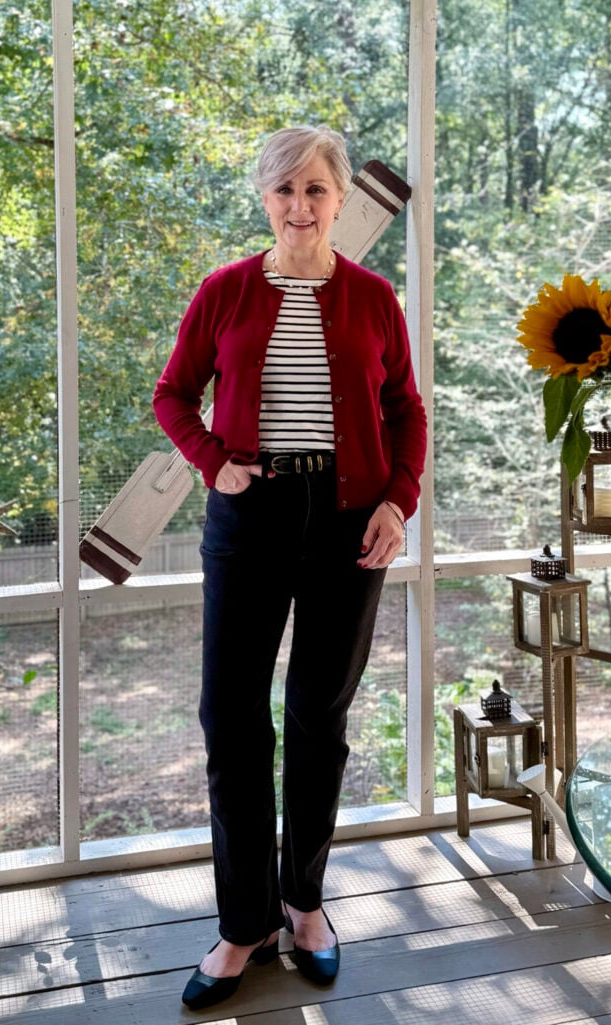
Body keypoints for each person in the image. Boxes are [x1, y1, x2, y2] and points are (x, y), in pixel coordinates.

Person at [153, 125, 427, 1011]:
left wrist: (398, 501)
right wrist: (211, 461)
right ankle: (244, 923)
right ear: (263, 200)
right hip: (249, 516)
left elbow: (404, 408)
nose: (299, 207)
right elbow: (172, 392)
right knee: (231, 716)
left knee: (320, 716)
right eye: (283, 191)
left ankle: (304, 903)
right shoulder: (224, 291)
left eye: (314, 190)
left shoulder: (373, 296)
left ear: (340, 199)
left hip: (350, 520)